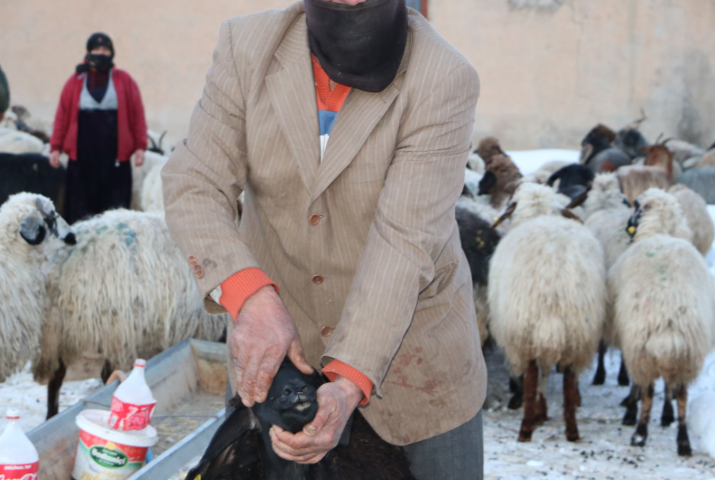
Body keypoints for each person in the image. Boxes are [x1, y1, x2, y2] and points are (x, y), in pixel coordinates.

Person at [162, 0, 485, 478]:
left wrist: (351, 376)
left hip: (413, 370)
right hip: (277, 364)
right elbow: (196, 181)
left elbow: (405, 242)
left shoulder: (442, 77)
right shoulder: (247, 47)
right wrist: (248, 295)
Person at [49, 33, 147, 225]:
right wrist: (55, 147)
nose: (101, 53)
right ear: (88, 52)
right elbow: (62, 115)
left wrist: (140, 146)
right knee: (80, 216)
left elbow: (137, 114)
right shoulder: (75, 81)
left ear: (112, 53)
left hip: (115, 163)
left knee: (115, 217)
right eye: (97, 49)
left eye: (106, 50)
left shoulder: (124, 80)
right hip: (82, 162)